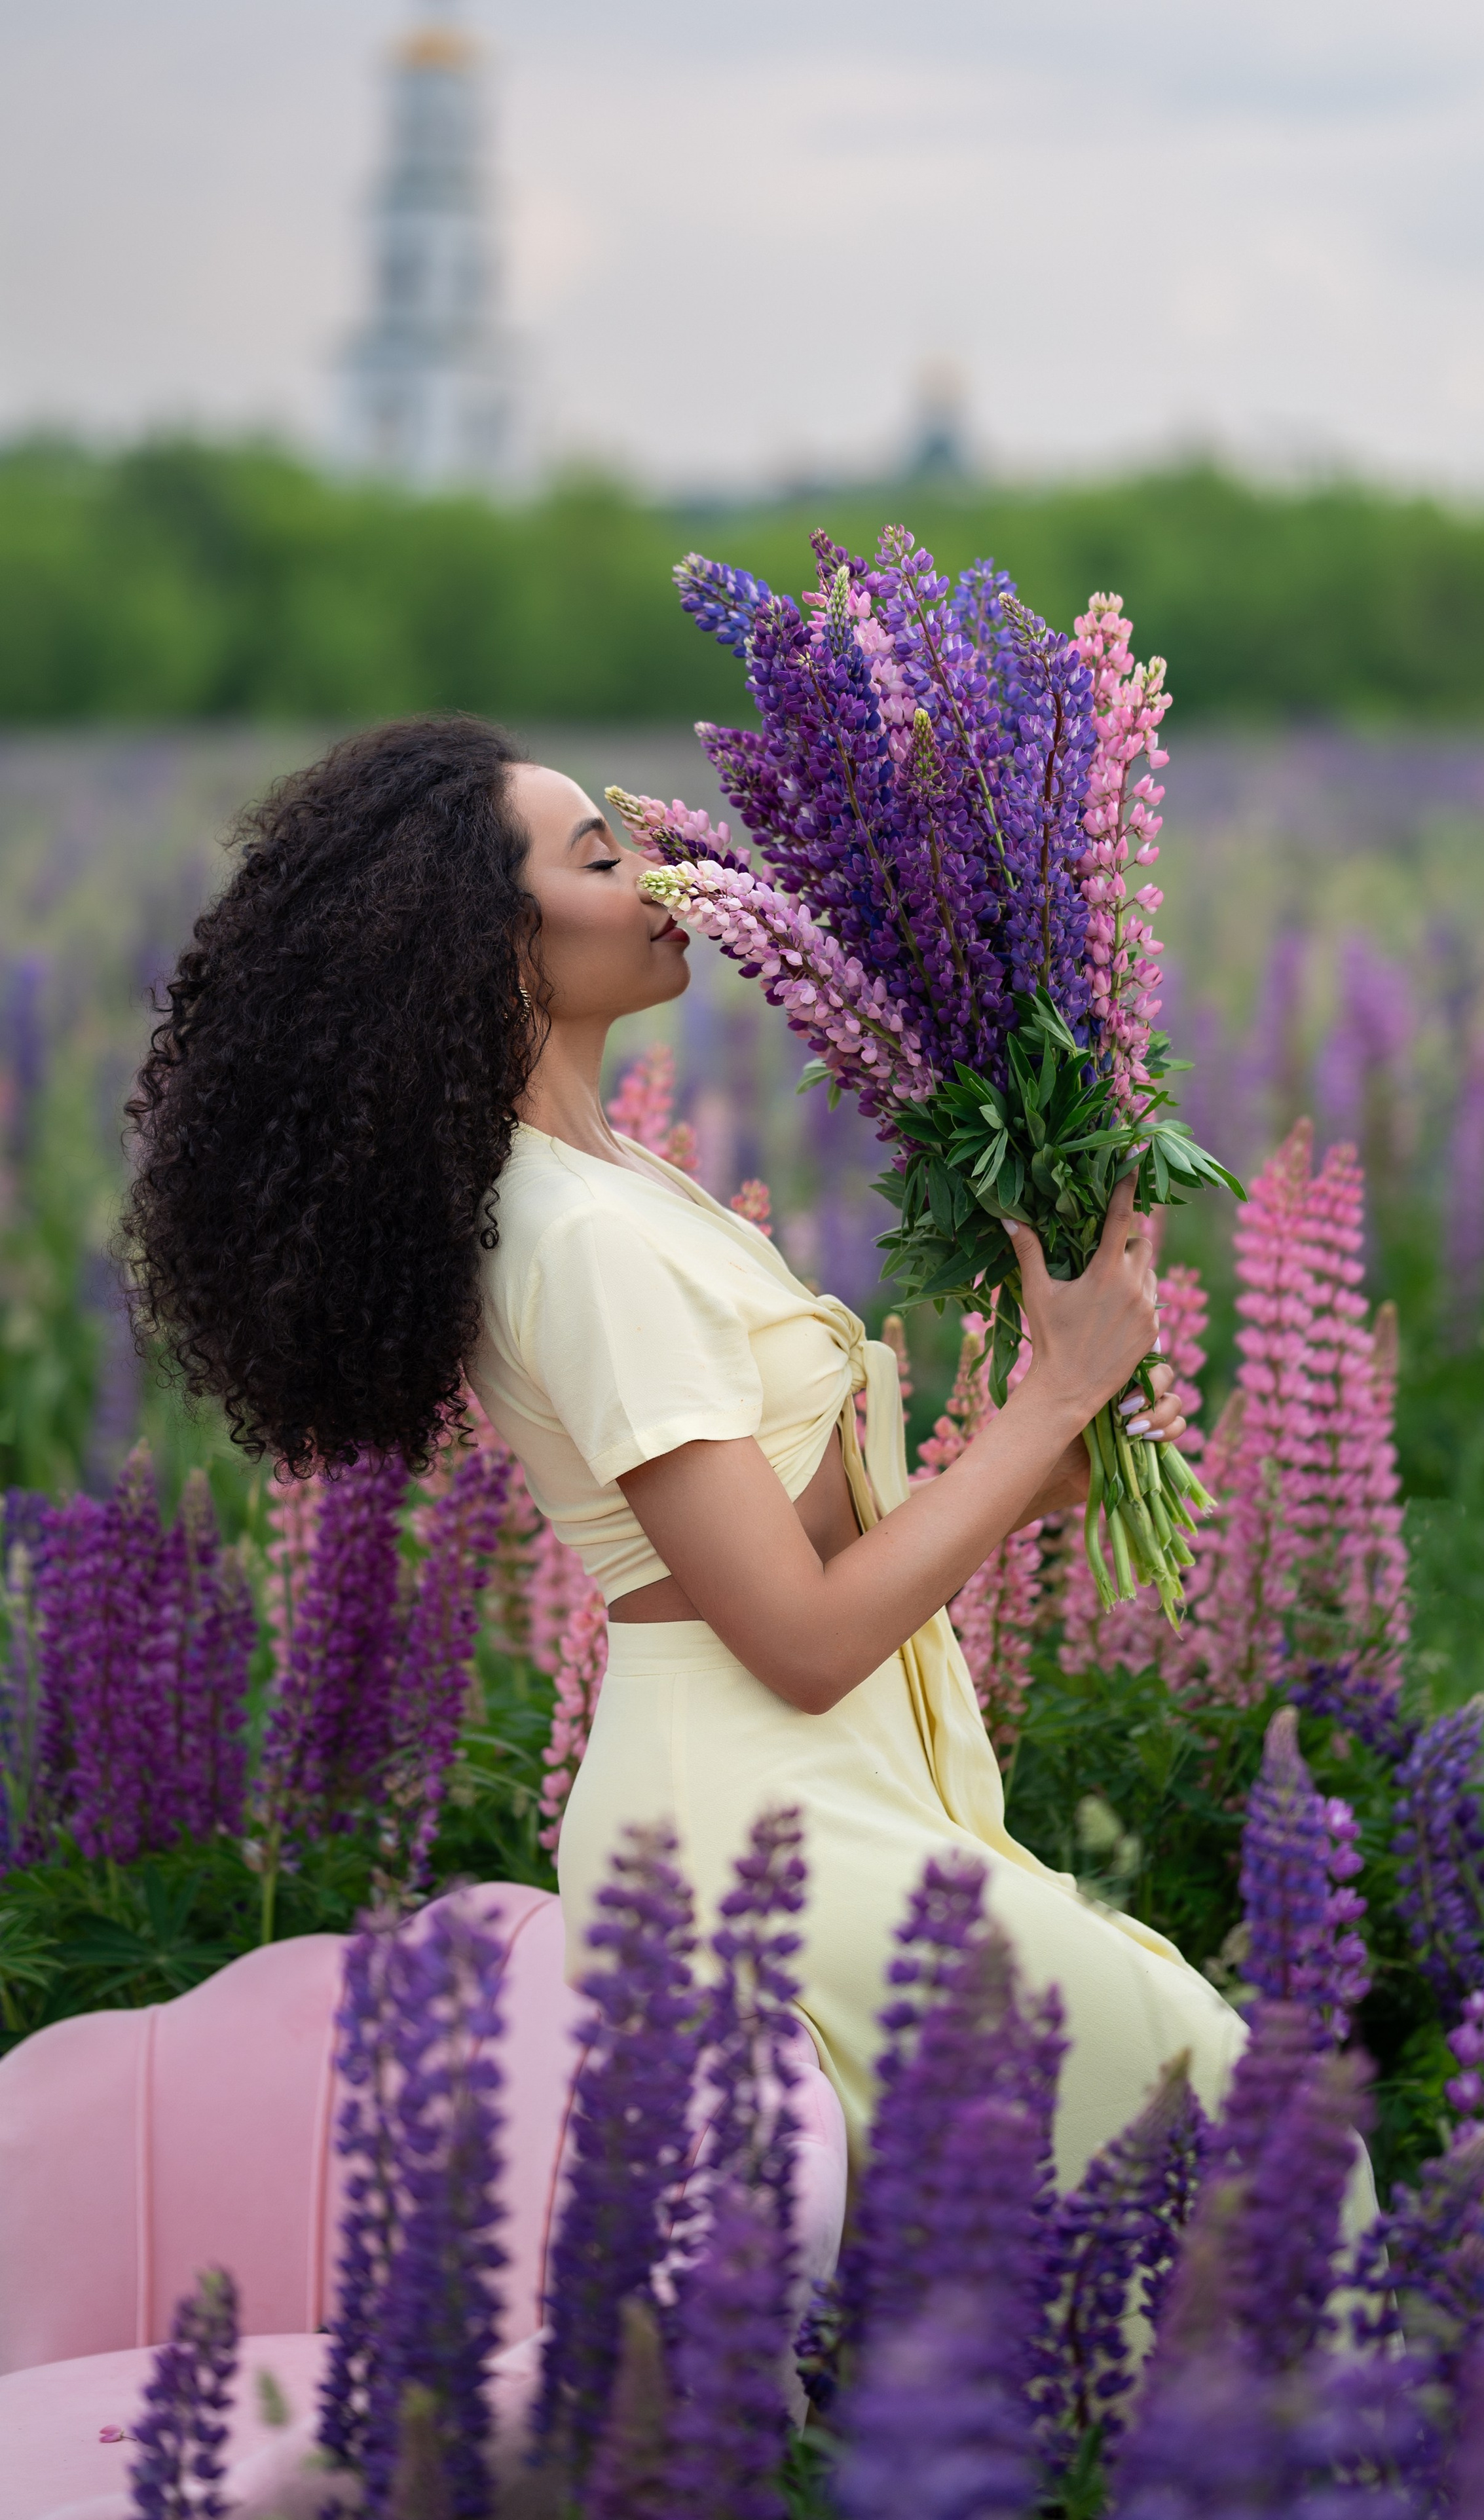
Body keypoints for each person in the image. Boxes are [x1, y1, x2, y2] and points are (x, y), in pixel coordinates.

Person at [125, 714, 1244, 2186]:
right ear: (484, 940)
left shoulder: (612, 1182)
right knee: (1211, 2095)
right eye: (600, 860)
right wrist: (1052, 1396)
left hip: (814, 1779)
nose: (662, 878)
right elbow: (798, 1636)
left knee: (1139, 2144)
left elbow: (800, 1537)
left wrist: (1050, 1457)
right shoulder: (579, 1236)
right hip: (749, 1824)